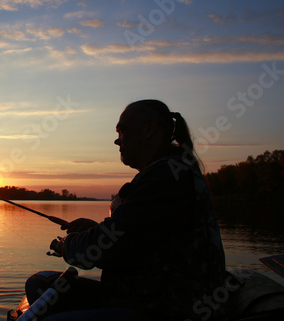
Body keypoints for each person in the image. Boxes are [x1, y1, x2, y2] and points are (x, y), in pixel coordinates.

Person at [24, 99, 227, 321]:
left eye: (122, 131)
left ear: (149, 128)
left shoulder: (167, 177)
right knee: (39, 284)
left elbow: (99, 250)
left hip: (168, 308)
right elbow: (135, 237)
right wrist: (95, 229)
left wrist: (67, 245)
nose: (116, 140)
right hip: (138, 295)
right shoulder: (165, 171)